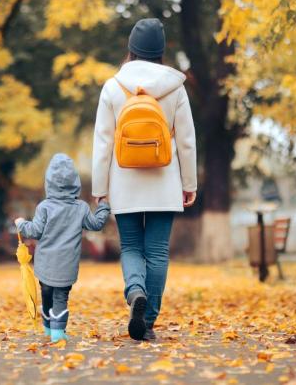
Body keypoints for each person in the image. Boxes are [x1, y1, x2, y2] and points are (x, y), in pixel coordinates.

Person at [91, 18, 197, 341]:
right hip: (164, 182)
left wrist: (100, 190)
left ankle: (135, 291)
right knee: (158, 251)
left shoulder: (113, 86)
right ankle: (148, 321)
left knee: (132, 247)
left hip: (124, 183)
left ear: (131, 49)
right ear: (161, 52)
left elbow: (102, 142)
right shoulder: (175, 87)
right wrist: (188, 184)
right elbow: (188, 141)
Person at [15, 153, 111, 342]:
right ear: (75, 182)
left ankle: (48, 328)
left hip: (45, 265)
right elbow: (97, 224)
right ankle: (58, 333)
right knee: (61, 298)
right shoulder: (81, 208)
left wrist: (20, 224)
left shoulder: (44, 207)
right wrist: (103, 206)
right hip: (67, 266)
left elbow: (34, 231)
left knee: (47, 294)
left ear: (48, 182)